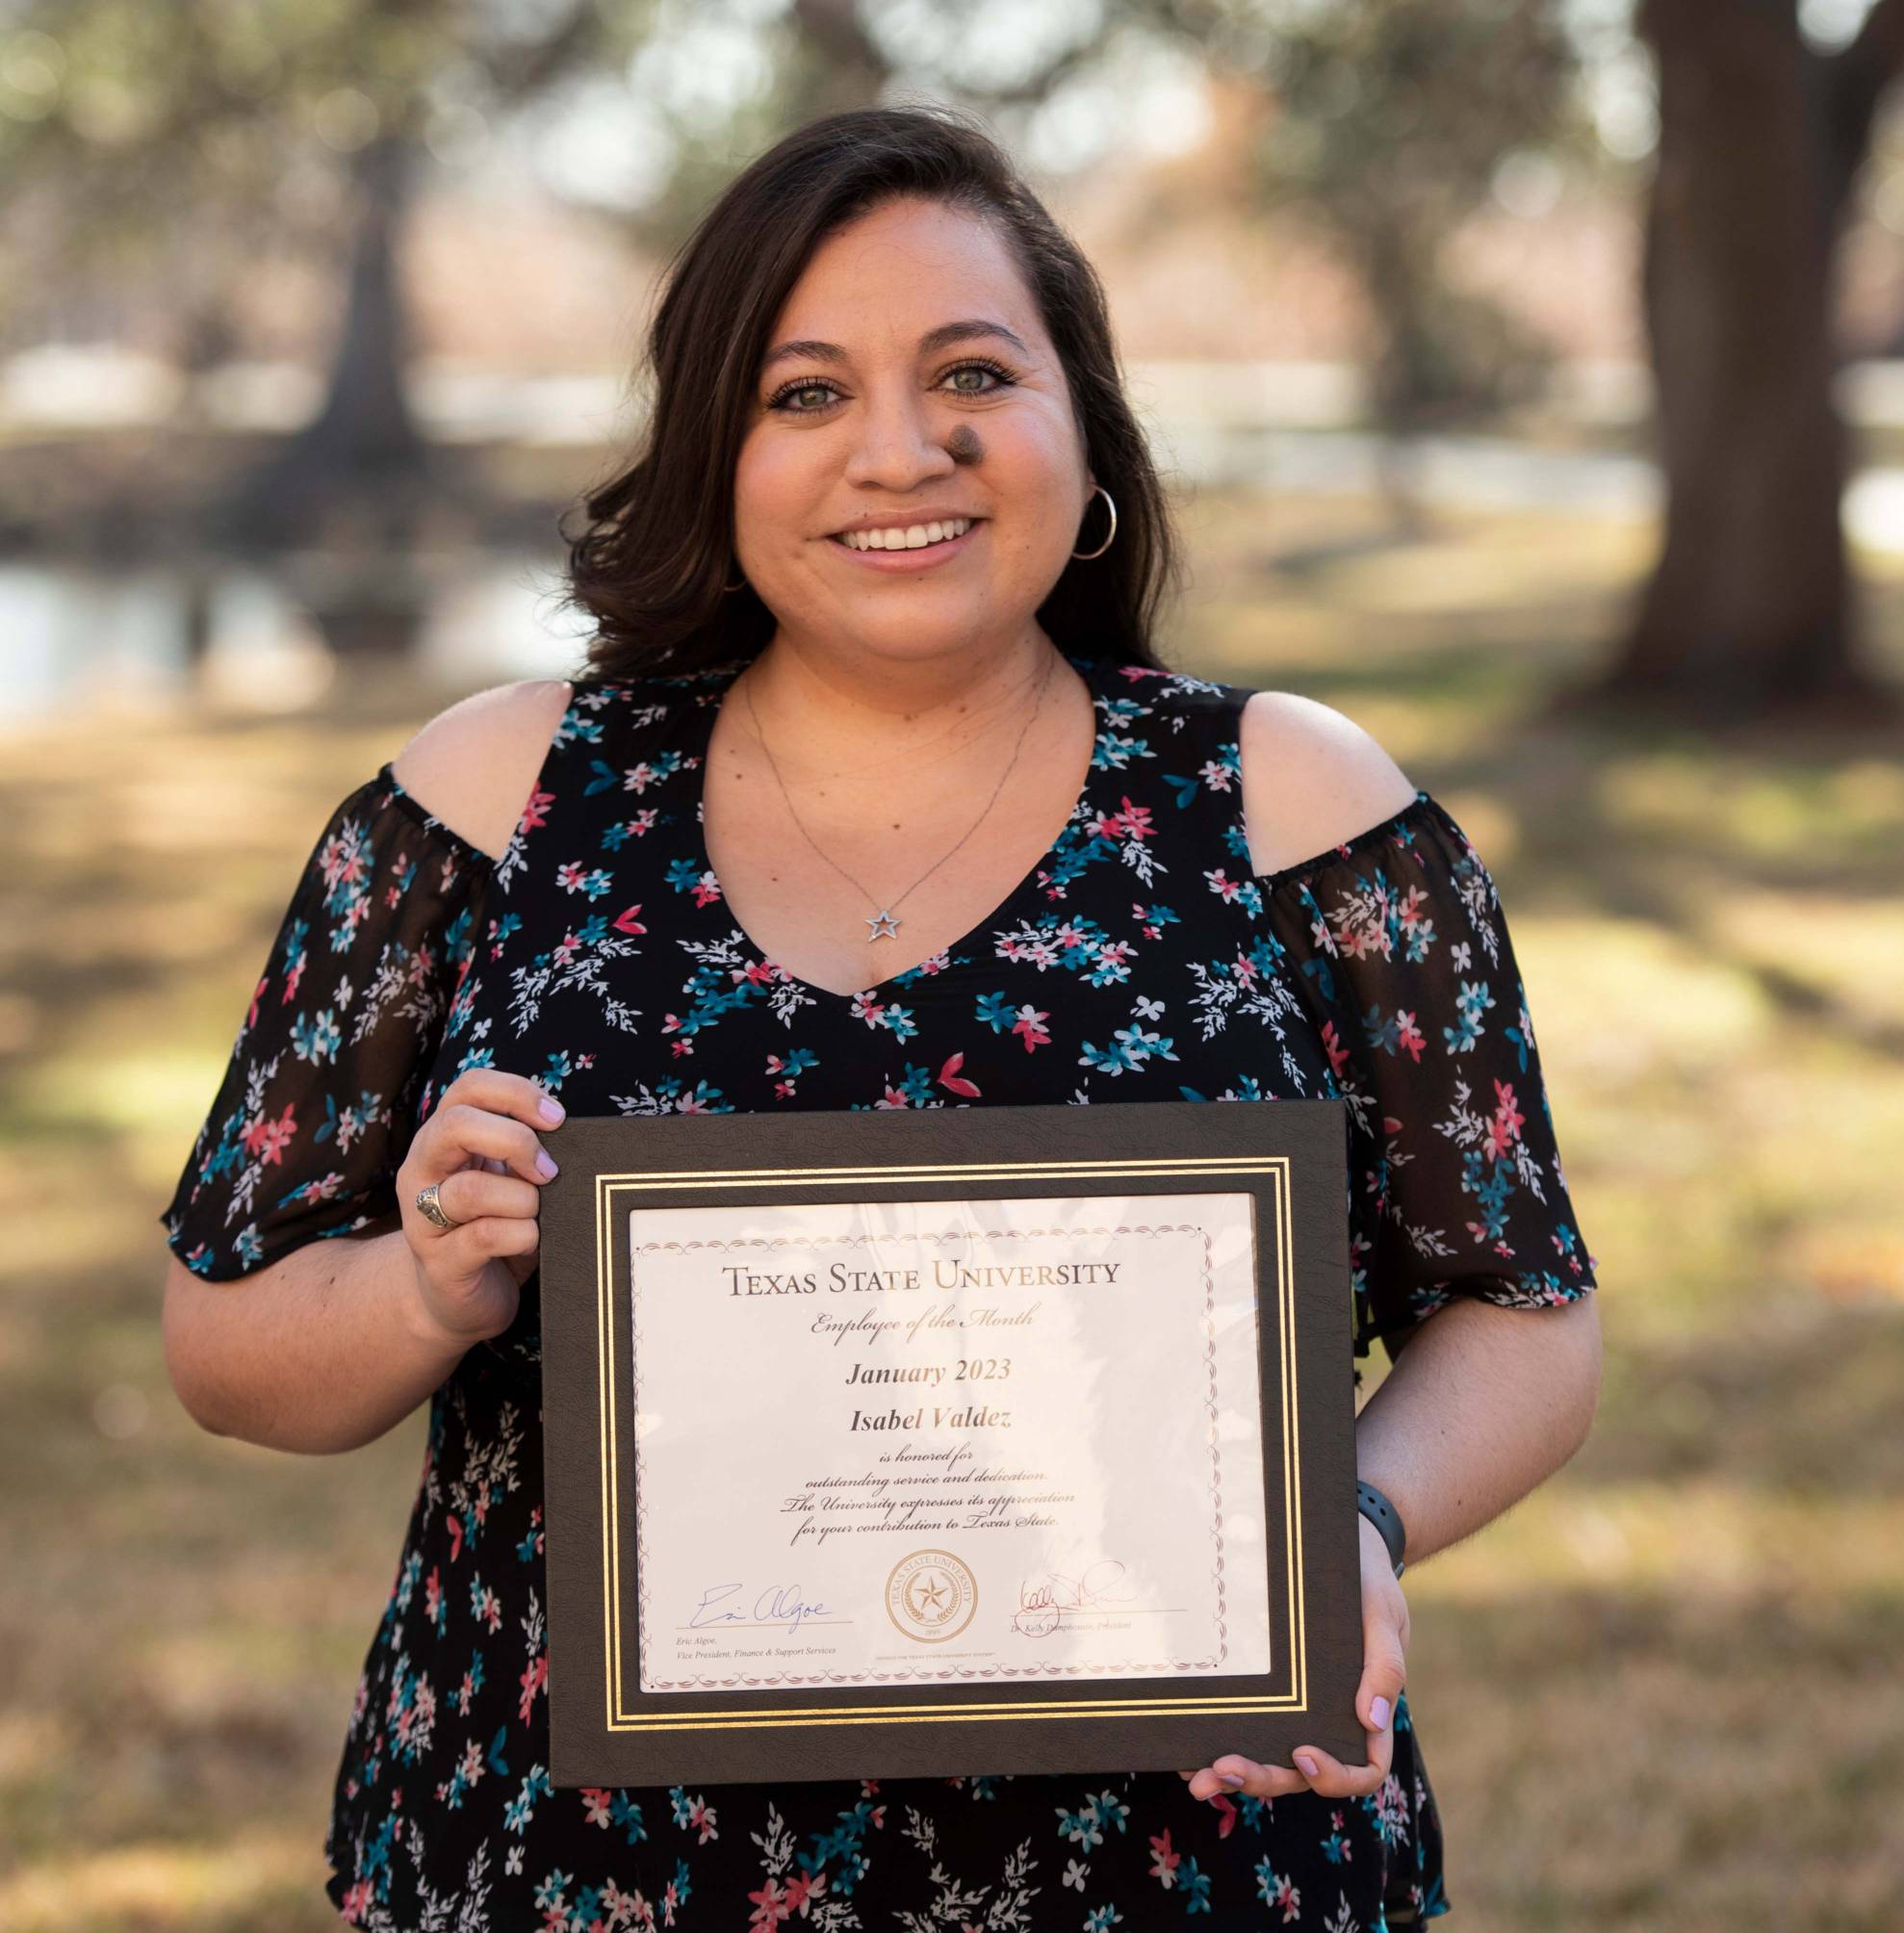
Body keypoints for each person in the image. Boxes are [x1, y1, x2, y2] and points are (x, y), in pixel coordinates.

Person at [158, 104, 1601, 1930]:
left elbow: (1524, 1312)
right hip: (573, 1872)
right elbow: (221, 1337)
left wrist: (1358, 1526)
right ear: (716, 456)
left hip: (1189, 1869)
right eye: (806, 392)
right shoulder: (492, 799)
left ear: (1085, 440)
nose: (899, 450)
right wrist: (428, 1285)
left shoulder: (1292, 806)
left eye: (973, 372)